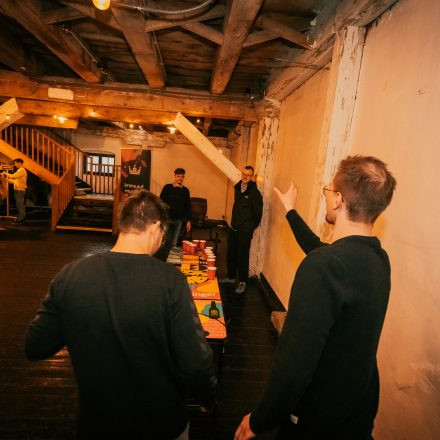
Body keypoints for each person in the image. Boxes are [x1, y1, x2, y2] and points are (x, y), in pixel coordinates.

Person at [25, 190, 216, 440]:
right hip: (160, 425)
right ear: (155, 228)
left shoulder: (70, 275)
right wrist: (207, 398)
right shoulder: (171, 281)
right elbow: (196, 364)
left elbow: (36, 345)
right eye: (163, 234)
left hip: (97, 424)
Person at [235, 155, 396, 440]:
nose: (327, 196)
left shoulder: (324, 267)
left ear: (339, 199)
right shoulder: (377, 258)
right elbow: (318, 248)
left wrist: (259, 419)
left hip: (316, 419)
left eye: (329, 190)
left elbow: (293, 365)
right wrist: (290, 210)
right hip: (355, 412)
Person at [221, 166, 263, 294]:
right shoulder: (237, 188)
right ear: (241, 174)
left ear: (252, 177)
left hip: (245, 229)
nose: (245, 176)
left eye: (248, 175)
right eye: (244, 174)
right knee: (231, 253)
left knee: (242, 255)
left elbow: (258, 214)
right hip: (234, 227)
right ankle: (231, 277)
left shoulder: (255, 193)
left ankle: (242, 282)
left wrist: (249, 226)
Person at [160, 168, 192, 248]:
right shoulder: (167, 187)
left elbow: (188, 206)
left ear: (183, 177)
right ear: (174, 176)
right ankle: (162, 256)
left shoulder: (186, 191)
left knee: (174, 243)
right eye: (178, 176)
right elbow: (160, 202)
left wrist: (188, 220)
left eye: (182, 177)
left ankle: (171, 256)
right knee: (163, 241)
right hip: (167, 219)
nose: (180, 178)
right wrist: (160, 217)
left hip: (179, 221)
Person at [2, 158, 27, 223]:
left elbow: (13, 176)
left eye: (15, 163)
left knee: (20, 205)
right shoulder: (20, 170)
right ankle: (21, 218)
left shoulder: (21, 170)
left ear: (19, 163)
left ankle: (21, 219)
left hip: (20, 190)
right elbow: (15, 181)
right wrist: (7, 180)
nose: (14, 165)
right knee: (19, 204)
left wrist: (6, 174)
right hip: (18, 189)